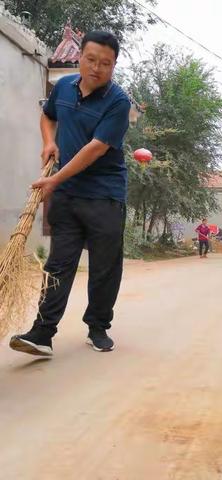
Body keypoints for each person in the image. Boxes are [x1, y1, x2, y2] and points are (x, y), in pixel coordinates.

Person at [10, 31, 131, 356]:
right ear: (80, 58)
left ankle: (97, 326)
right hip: (67, 195)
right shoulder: (63, 88)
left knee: (105, 266)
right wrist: (49, 141)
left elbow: (95, 149)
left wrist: (54, 180)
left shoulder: (118, 103)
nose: (96, 68)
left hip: (105, 196)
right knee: (59, 264)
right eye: (91, 60)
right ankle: (42, 333)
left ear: (113, 66)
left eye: (105, 63)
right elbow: (48, 116)